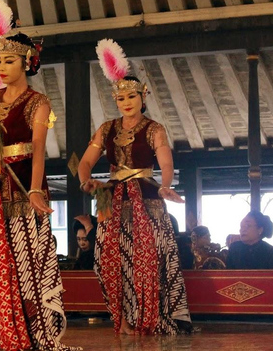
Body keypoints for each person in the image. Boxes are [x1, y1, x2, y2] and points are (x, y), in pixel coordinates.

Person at [0, 0, 79, 351]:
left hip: (24, 184)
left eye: (10, 61)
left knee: (25, 263)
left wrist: (37, 189)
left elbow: (39, 150)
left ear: (26, 62)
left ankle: (30, 331)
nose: (3, 67)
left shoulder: (38, 102)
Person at [78, 38, 191, 335]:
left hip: (147, 193)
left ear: (143, 96)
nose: (126, 102)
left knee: (148, 258)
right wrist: (85, 180)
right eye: (120, 98)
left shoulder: (154, 129)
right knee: (106, 260)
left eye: (131, 96)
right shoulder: (106, 128)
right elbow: (85, 162)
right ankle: (123, 320)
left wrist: (166, 185)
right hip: (108, 195)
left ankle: (150, 317)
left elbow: (166, 164)